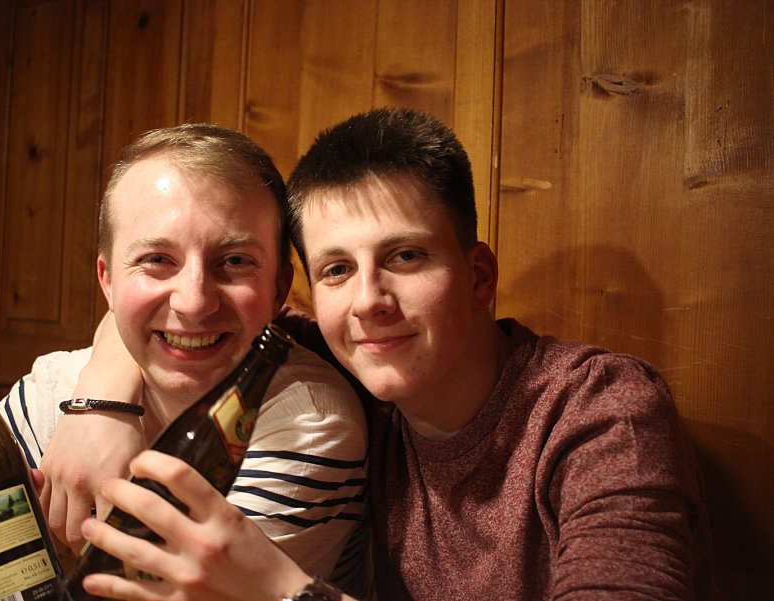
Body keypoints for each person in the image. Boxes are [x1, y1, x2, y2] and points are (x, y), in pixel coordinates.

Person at [70, 107, 715, 601]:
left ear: (478, 277)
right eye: (336, 269)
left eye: (405, 257)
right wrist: (99, 408)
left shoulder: (601, 413)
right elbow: (188, 316)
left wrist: (279, 589)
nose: (368, 302)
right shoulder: (354, 358)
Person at [0, 124, 371, 600]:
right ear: (107, 280)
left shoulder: (310, 423)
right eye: (156, 259)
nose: (194, 302)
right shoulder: (49, 392)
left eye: (235, 261)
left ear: (279, 289)